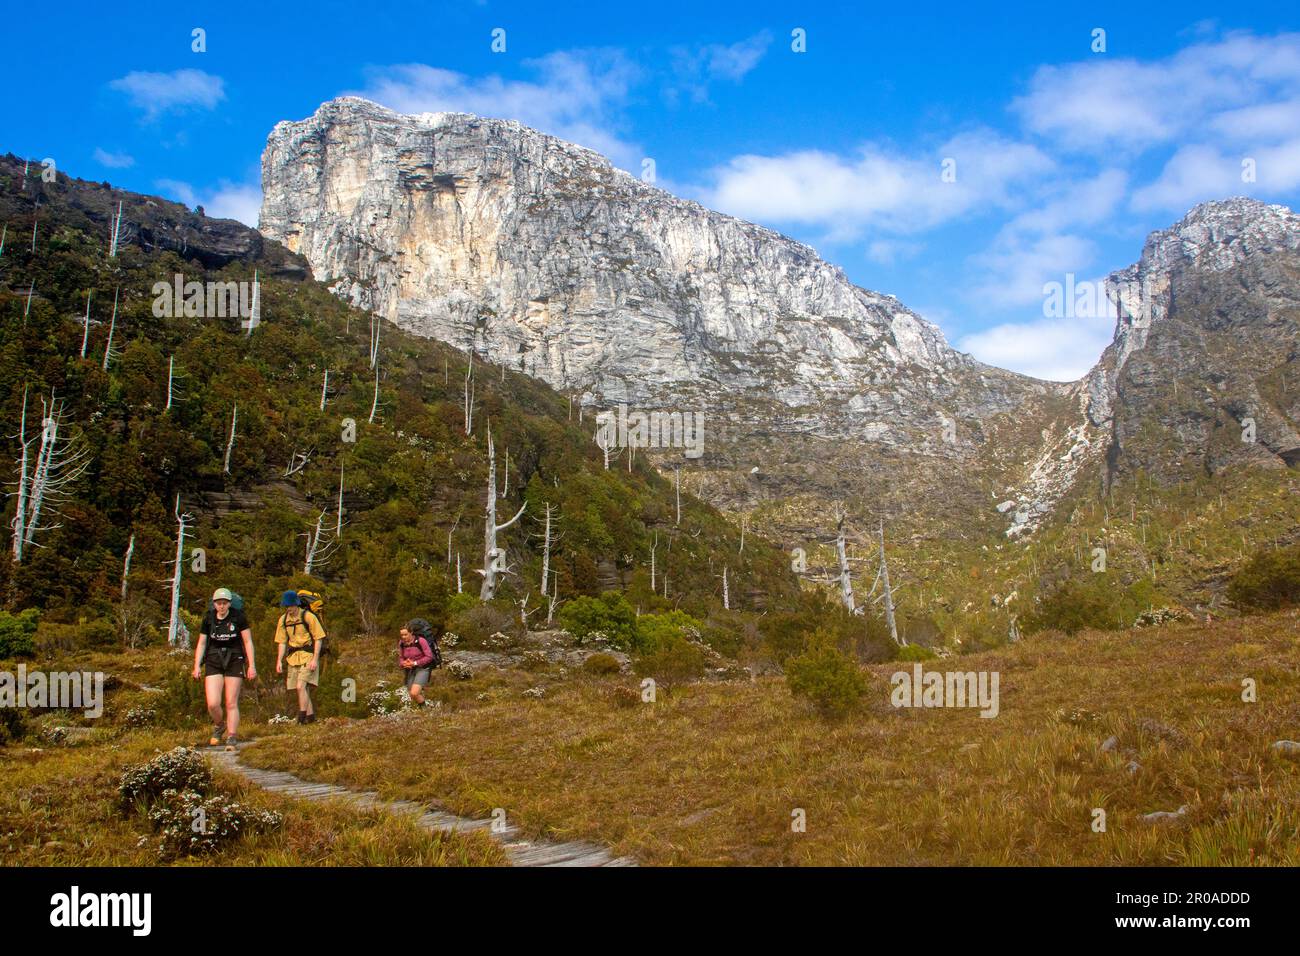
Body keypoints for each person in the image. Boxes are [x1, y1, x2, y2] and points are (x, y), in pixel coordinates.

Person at [192, 587, 256, 749]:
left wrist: (251, 665)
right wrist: (196, 665)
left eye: (224, 603)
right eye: (218, 603)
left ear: (229, 604)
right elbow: (202, 643)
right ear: (214, 604)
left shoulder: (238, 617)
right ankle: (220, 725)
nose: (221, 606)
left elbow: (247, 641)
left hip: (234, 658)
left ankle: (232, 736)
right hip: (213, 659)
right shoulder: (208, 618)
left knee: (230, 701)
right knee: (213, 703)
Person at [274, 591, 325, 724]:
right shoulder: (283, 620)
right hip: (293, 658)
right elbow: (282, 641)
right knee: (303, 689)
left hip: (308, 655)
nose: (288, 609)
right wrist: (279, 660)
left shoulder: (308, 617)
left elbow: (318, 638)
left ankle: (301, 718)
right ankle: (311, 718)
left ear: (296, 604)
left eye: (290, 605)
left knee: (300, 686)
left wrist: (315, 658)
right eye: (286, 606)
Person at [398, 621, 436, 706]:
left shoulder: (421, 641)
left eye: (405, 634)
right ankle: (424, 709)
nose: (403, 637)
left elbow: (429, 657)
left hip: (423, 668)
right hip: (410, 670)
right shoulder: (401, 643)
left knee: (414, 693)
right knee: (411, 694)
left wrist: (415, 663)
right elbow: (401, 657)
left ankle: (424, 710)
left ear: (411, 632)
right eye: (402, 635)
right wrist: (403, 663)